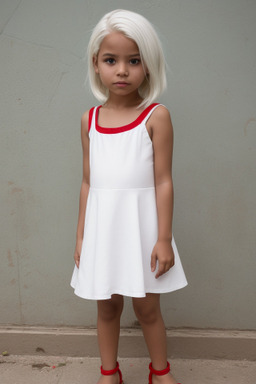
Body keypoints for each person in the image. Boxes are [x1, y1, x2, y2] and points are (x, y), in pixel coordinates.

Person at [71, 9, 187, 384]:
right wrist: (81, 236)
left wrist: (164, 238)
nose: (122, 70)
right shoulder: (90, 120)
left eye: (133, 61)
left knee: (147, 307)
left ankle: (160, 371)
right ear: (96, 64)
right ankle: (110, 372)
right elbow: (88, 181)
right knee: (107, 306)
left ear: (148, 66)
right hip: (103, 229)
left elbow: (164, 181)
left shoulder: (156, 116)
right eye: (111, 60)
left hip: (143, 230)